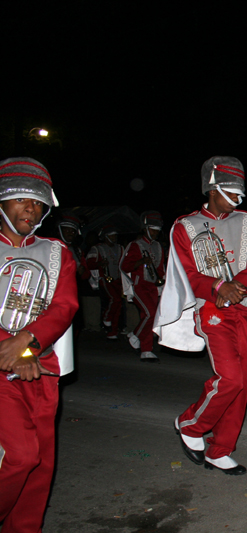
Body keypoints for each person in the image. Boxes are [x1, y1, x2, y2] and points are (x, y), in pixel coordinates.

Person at [155, 156, 247, 475]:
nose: (237, 199)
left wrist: (240, 286)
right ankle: (190, 424)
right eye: (230, 191)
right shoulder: (184, 226)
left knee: (244, 383)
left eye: (240, 193)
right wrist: (219, 286)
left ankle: (220, 449)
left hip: (243, 310)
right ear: (211, 189)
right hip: (211, 310)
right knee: (230, 378)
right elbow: (184, 274)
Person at [0, 157, 78, 531]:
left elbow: (64, 306)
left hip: (40, 367)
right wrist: (11, 352)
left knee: (41, 464)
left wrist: (26, 346)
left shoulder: (56, 251)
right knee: (19, 455)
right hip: (2, 371)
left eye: (37, 202)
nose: (30, 209)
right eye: (21, 199)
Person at [121, 211, 165, 362]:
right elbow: (123, 265)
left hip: (152, 286)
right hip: (139, 284)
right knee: (149, 313)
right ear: (145, 229)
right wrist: (140, 262)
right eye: (152, 229)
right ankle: (135, 335)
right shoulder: (135, 245)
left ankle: (146, 350)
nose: (155, 233)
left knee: (150, 317)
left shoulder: (158, 246)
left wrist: (162, 279)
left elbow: (160, 268)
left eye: (157, 230)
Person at [86, 225, 124, 340]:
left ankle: (113, 331)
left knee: (119, 304)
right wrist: (99, 264)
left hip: (118, 279)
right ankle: (106, 318)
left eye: (115, 236)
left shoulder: (120, 248)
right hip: (104, 278)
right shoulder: (97, 248)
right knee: (114, 299)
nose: (114, 238)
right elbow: (88, 263)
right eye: (111, 236)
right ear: (105, 237)